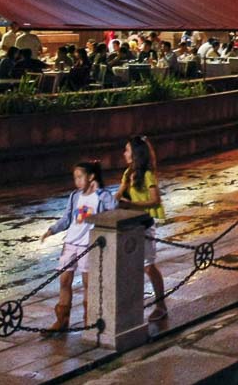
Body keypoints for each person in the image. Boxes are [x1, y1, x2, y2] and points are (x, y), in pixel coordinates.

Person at [41, 159, 114, 335]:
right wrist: (52, 230)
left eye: (80, 177)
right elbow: (67, 219)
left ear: (91, 177)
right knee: (64, 280)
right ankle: (62, 320)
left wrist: (100, 192)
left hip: (88, 245)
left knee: (89, 283)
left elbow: (114, 208)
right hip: (71, 243)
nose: (77, 181)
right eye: (75, 178)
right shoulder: (75, 196)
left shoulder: (101, 196)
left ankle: (89, 320)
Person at [117, 136, 168, 323]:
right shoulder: (128, 173)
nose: (124, 153)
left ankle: (161, 305)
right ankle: (129, 306)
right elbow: (119, 193)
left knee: (148, 266)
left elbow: (156, 200)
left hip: (144, 224)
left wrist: (133, 205)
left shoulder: (147, 175)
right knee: (130, 266)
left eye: (127, 150)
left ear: (136, 154)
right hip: (130, 225)